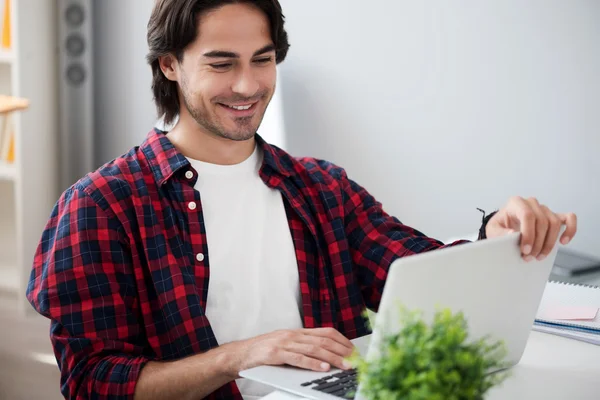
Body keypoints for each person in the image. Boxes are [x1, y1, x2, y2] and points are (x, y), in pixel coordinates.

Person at [26, 1, 578, 399]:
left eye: (262, 60)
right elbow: (93, 383)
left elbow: (419, 277)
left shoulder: (320, 188)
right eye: (222, 64)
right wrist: (241, 356)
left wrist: (498, 239)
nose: (247, 86)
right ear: (170, 65)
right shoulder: (102, 206)